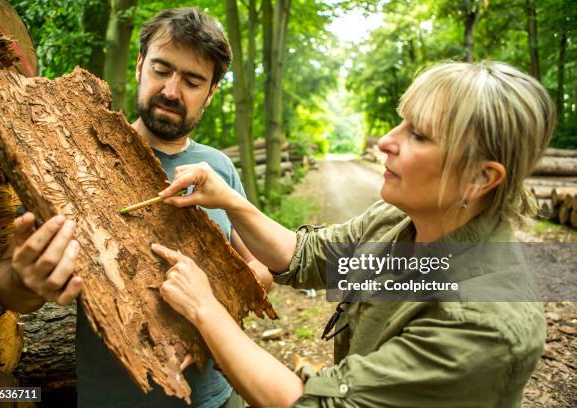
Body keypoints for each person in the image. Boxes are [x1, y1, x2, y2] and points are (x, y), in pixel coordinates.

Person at [154, 61, 555, 407]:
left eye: (418, 135)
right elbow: (305, 255)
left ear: (481, 177)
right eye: (402, 123)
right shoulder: (396, 221)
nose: (385, 142)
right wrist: (229, 200)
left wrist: (205, 310)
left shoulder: (482, 323)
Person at [0, 7, 269, 408]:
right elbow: (5, 285)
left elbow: (259, 267)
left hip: (217, 400)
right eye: (161, 69)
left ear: (210, 93)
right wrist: (23, 278)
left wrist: (212, 310)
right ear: (139, 66)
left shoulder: (218, 169)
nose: (172, 90)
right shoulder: (70, 158)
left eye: (192, 81)